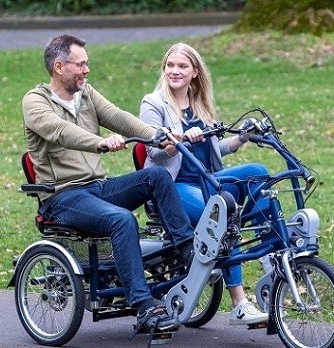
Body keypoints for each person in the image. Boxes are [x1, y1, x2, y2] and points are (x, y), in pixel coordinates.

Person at [21, 34, 195, 331]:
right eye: (81, 64)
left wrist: (158, 134)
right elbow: (60, 131)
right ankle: (143, 305)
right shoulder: (35, 102)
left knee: (155, 175)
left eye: (87, 64)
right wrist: (99, 143)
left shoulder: (86, 93)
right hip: (62, 198)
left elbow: (117, 116)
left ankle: (188, 251)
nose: (87, 70)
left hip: (96, 188)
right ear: (59, 66)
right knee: (121, 220)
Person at [140, 42, 269, 325]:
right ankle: (239, 303)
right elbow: (154, 151)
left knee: (259, 172)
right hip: (170, 185)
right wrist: (181, 139)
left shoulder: (201, 105)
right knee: (224, 217)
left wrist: (243, 138)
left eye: (182, 66)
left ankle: (268, 254)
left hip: (206, 179)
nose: (175, 71)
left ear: (195, 72)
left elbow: (213, 150)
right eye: (170, 65)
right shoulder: (153, 103)